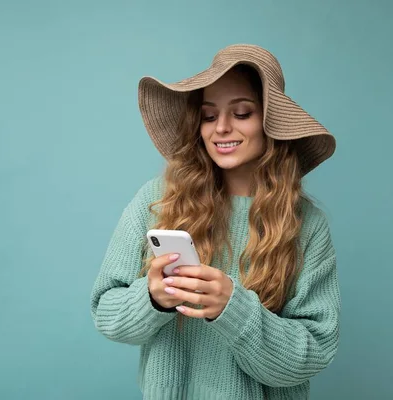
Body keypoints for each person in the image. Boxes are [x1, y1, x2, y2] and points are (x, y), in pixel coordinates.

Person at [90, 44, 340, 400]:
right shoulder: (157, 200)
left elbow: (314, 351)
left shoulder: (306, 224)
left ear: (270, 122)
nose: (221, 128)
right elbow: (106, 313)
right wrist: (154, 297)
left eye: (241, 113)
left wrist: (232, 308)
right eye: (209, 116)